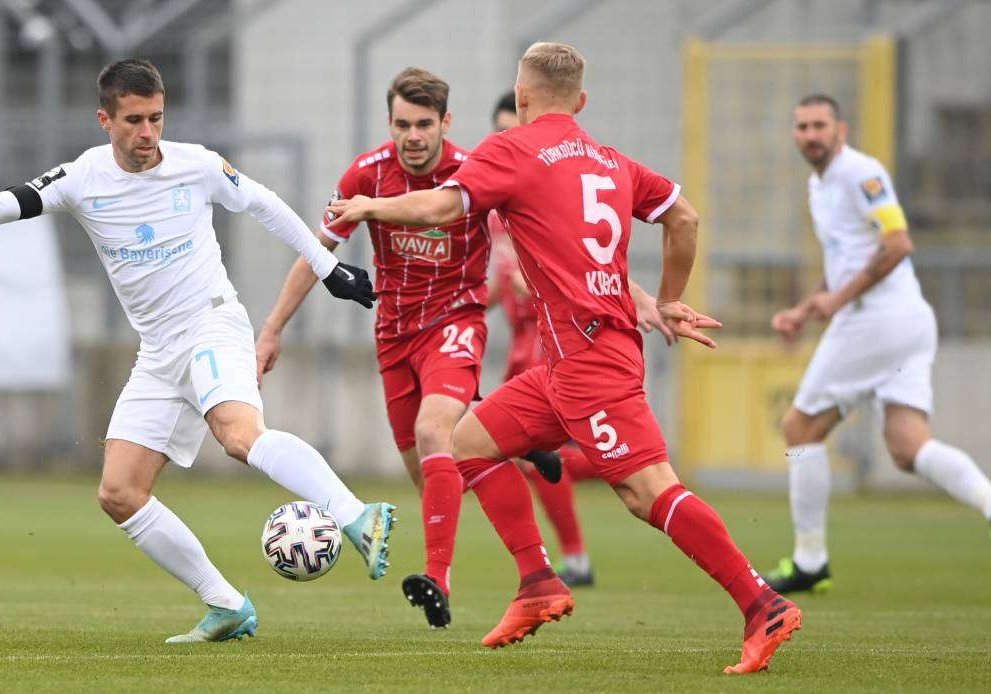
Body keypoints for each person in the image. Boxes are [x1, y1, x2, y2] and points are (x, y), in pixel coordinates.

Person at [328, 42, 800, 675]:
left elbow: (442, 205)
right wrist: (666, 300)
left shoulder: (513, 149)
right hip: (570, 361)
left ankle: (760, 602)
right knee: (468, 443)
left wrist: (370, 205)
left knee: (647, 491)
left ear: (521, 98)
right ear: (580, 101)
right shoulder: (609, 160)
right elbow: (683, 216)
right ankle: (539, 584)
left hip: (590, 362)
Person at [0, 58, 396, 644]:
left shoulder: (198, 165)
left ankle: (356, 514)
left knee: (239, 435)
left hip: (212, 325)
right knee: (119, 493)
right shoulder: (81, 178)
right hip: (159, 352)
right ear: (104, 119)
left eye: (156, 118)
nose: (147, 134)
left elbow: (266, 205)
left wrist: (330, 267)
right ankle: (227, 604)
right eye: (133, 120)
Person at [257, 67, 507, 629]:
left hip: (456, 321)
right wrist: (272, 329)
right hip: (393, 336)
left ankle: (437, 578)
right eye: (402, 124)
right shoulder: (365, 173)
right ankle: (498, 430)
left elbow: (523, 234)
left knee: (432, 431)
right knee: (430, 474)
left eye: (424, 124)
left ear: (446, 123)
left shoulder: (473, 173)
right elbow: (314, 252)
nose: (412, 135)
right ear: (389, 123)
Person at [762, 94, 991, 593]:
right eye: (801, 127)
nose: (810, 135)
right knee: (908, 448)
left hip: (877, 323)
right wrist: (807, 307)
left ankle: (810, 561)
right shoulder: (818, 185)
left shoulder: (861, 172)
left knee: (799, 428)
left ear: (840, 129)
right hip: (905, 323)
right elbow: (847, 255)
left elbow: (898, 242)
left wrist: (838, 300)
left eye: (819, 125)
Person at [485, 90, 665, 588]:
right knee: (507, 450)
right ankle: (558, 564)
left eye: (514, 128)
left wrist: (646, 295)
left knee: (531, 454)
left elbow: (585, 257)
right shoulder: (497, 204)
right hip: (528, 339)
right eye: (501, 132)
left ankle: (572, 559)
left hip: (562, 341)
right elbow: (501, 284)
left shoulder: (547, 186)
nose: (509, 138)